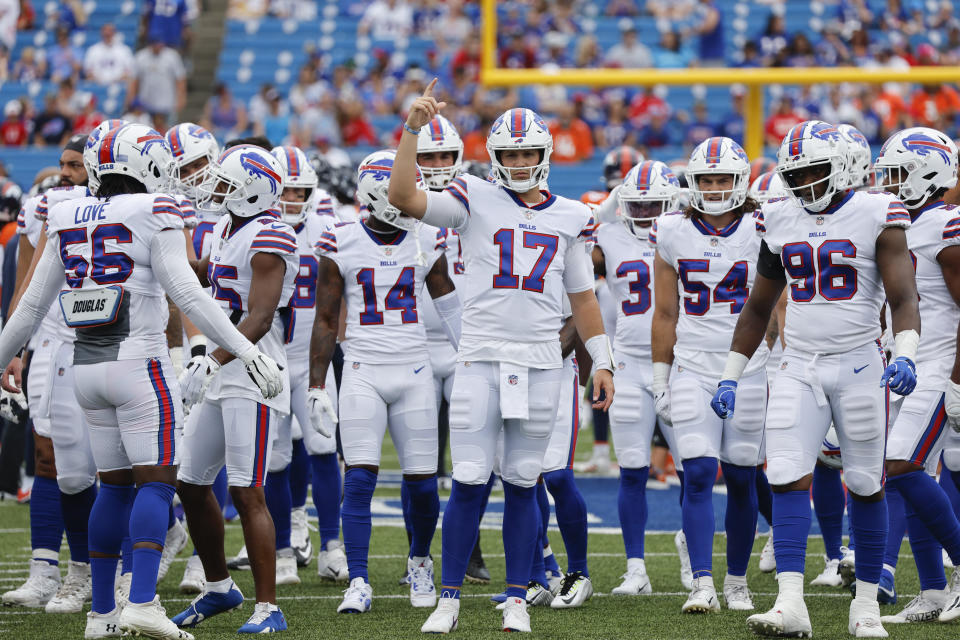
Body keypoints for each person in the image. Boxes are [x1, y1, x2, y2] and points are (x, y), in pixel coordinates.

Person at [0, 123, 283, 639]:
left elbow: (29, 309)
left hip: (85, 368)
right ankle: (144, 602)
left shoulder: (62, 213)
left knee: (111, 487)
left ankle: (102, 613)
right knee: (155, 483)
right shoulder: (155, 211)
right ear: (143, 164)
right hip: (140, 365)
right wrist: (244, 350)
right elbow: (189, 295)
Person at [388, 83, 615, 634]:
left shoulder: (569, 216)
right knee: (468, 479)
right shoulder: (472, 197)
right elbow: (404, 199)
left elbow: (583, 298)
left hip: (540, 362)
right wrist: (413, 131)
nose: (518, 162)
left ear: (543, 155)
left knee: (521, 480)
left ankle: (518, 597)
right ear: (495, 157)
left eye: (527, 153)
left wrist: (602, 359)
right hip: (483, 357)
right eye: (509, 153)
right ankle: (449, 597)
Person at [710, 120, 921, 638]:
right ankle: (789, 603)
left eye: (815, 172)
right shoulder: (778, 217)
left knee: (867, 483)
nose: (805, 185)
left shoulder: (877, 211)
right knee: (784, 473)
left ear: (844, 167)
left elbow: (903, 298)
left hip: (859, 363)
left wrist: (907, 352)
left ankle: (866, 607)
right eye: (796, 175)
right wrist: (731, 374)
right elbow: (758, 306)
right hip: (797, 363)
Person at [309, 148, 459, 614]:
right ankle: (359, 578)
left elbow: (449, 303)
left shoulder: (426, 237)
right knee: (359, 479)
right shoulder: (343, 240)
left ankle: (419, 562)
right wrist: (317, 385)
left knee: (421, 483)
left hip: (415, 370)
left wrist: (473, 356)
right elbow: (326, 317)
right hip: (363, 370)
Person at [171, 144, 297, 634]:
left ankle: (269, 607)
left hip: (252, 373)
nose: (216, 189)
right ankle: (220, 587)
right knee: (192, 481)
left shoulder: (271, 234)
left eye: (225, 184)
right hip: (223, 371)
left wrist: (212, 359)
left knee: (248, 492)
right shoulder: (230, 226)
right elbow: (209, 276)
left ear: (253, 191)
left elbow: (260, 317)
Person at [652, 136, 766, 614]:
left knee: (741, 477)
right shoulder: (672, 230)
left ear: (740, 182)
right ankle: (703, 582)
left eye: (724, 179)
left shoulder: (763, 227)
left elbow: (772, 308)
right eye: (707, 179)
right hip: (694, 365)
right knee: (697, 471)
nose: (716, 188)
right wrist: (661, 377)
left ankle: (737, 579)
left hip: (749, 368)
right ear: (692, 183)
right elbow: (663, 312)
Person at [0, 134, 96, 616]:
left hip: (104, 344)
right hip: (51, 342)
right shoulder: (43, 207)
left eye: (75, 164)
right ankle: (45, 571)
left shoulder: (119, 204)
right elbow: (24, 284)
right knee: (46, 456)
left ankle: (116, 561)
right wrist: (14, 347)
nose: (65, 172)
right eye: (61, 163)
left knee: (107, 466)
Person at [873, 127, 960, 624]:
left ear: (930, 172)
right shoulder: (897, 223)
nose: (889, 183)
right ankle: (929, 591)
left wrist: (957, 381)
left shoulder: (945, 225)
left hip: (937, 364)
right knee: (910, 474)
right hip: (903, 365)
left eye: (898, 173)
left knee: (902, 463)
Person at [594, 160, 683, 596]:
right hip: (628, 361)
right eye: (637, 203)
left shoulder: (685, 230)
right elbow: (568, 242)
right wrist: (607, 203)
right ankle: (635, 568)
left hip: (681, 361)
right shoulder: (607, 236)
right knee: (632, 468)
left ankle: (693, 559)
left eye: (653, 203)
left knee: (693, 470)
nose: (646, 212)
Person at [414, 114, 491, 584]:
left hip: (472, 342)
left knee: (473, 460)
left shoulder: (481, 198)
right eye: (429, 156)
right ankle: (418, 556)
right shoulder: (398, 197)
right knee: (421, 464)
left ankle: (472, 552)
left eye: (446, 155)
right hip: (414, 346)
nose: (439, 165)